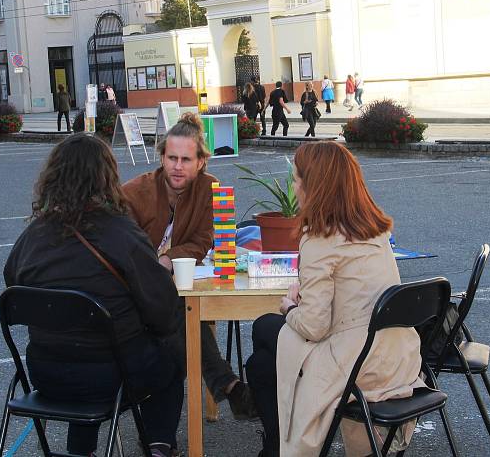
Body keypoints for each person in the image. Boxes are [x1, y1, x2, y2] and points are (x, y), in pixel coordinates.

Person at [3, 134, 183, 457]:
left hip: (46, 372)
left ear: (53, 178)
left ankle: (80, 452)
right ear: (107, 178)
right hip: (110, 375)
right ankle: (158, 447)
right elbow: (164, 312)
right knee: (173, 351)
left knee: (85, 344)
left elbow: (12, 283)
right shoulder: (121, 233)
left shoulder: (33, 237)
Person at [246, 142, 424, 457]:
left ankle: (277, 445)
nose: (295, 185)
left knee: (263, 329)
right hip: (396, 356)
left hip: (356, 363)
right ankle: (275, 445)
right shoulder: (373, 229)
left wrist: (290, 308)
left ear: (314, 187)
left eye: (298, 179)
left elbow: (314, 326)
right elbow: (352, 291)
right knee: (261, 364)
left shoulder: (320, 238)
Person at [121, 113, 256, 419]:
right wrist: (154, 266)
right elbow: (124, 246)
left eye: (185, 159)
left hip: (174, 284)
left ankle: (226, 388)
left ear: (200, 162)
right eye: (171, 158)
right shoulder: (134, 192)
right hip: (136, 290)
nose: (177, 166)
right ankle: (230, 386)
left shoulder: (210, 188)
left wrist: (169, 259)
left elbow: (204, 239)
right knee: (178, 312)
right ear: (162, 157)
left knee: (182, 308)